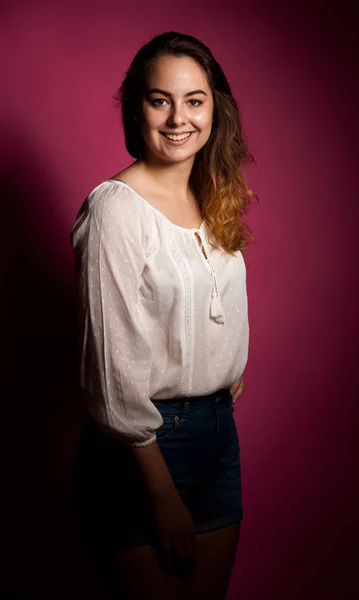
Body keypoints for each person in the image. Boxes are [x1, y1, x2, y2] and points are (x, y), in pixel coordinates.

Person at [70, 31, 257, 600]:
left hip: (218, 437)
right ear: (137, 108)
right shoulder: (115, 209)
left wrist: (219, 373)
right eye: (160, 100)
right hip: (143, 453)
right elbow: (113, 372)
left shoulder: (215, 196)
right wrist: (162, 492)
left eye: (194, 100)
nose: (179, 117)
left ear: (214, 108)